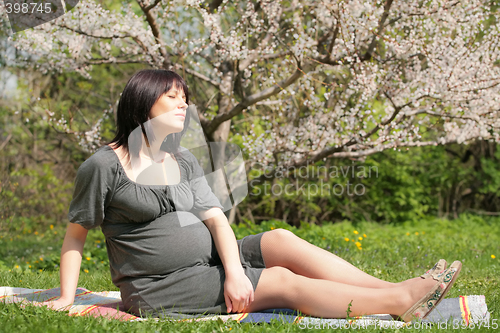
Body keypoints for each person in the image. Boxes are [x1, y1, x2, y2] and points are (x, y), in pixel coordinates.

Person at [42, 69, 461, 321]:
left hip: (207, 262)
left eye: (185, 98)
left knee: (278, 238)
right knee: (279, 281)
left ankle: (396, 287)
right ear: (141, 102)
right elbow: (76, 236)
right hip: (160, 287)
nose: (183, 105)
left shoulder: (182, 159)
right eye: (172, 97)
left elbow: (217, 220)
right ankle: (399, 301)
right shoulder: (103, 166)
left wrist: (236, 271)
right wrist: (65, 297)